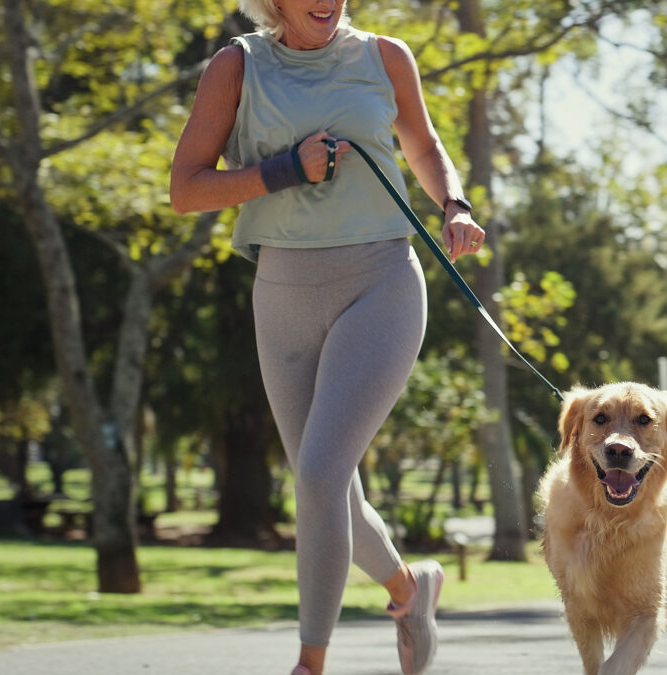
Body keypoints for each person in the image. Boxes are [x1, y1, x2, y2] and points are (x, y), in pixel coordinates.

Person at [170, 2, 482, 673]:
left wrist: (454, 203)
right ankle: (410, 587)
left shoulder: (385, 56)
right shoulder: (237, 66)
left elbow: (423, 145)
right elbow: (186, 189)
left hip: (381, 281)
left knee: (316, 474)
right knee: (329, 487)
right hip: (282, 291)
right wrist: (284, 169)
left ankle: (310, 663)